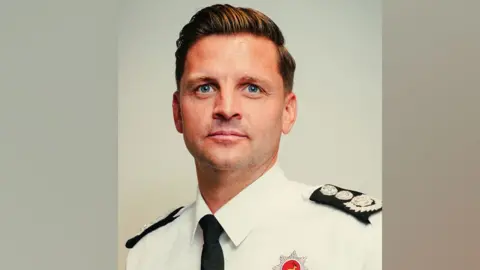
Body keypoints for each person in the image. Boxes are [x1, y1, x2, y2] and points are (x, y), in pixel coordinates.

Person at [125, 4, 382, 270]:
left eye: (252, 88)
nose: (226, 108)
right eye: (205, 87)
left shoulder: (360, 241)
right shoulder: (148, 254)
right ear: (177, 112)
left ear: (287, 111)